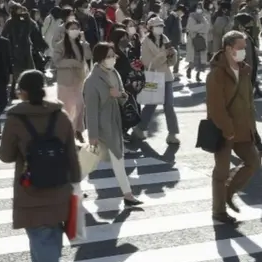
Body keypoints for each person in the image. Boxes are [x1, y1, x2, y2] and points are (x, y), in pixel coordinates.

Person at [0, 69, 81, 262]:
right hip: (60, 186)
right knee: (52, 234)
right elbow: (71, 153)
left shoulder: (15, 119)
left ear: (22, 92)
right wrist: (76, 184)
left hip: (30, 190)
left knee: (40, 238)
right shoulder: (60, 116)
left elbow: (6, 156)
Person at [206, 30, 260, 224]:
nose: (244, 52)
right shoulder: (216, 74)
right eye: (240, 48)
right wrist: (227, 130)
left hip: (244, 128)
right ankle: (218, 211)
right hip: (224, 131)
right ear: (228, 48)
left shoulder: (245, 69)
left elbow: (248, 101)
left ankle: (228, 191)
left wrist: (253, 129)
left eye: (244, 48)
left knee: (253, 162)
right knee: (221, 172)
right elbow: (216, 107)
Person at [84, 42, 143, 206]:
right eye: (108, 57)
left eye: (113, 56)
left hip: (116, 122)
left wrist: (119, 95)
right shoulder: (92, 81)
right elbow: (91, 111)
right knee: (88, 163)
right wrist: (93, 136)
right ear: (100, 59)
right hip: (102, 127)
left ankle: (128, 194)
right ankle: (70, 189)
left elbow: (123, 95)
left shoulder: (114, 73)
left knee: (117, 158)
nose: (112, 59)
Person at [135, 16, 180, 144]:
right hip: (153, 77)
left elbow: (170, 63)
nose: (160, 28)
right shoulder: (145, 42)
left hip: (166, 76)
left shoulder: (165, 39)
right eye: (157, 26)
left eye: (161, 26)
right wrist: (164, 55)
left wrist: (173, 54)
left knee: (169, 106)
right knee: (151, 105)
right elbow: (148, 62)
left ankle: (172, 134)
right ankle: (140, 128)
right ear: (150, 28)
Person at [53, 20, 91, 143]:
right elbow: (57, 62)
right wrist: (72, 63)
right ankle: (66, 133)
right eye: (72, 28)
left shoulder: (82, 44)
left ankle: (78, 130)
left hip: (79, 80)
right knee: (67, 108)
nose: (75, 30)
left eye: (77, 28)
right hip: (65, 81)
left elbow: (89, 56)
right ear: (67, 30)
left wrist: (85, 42)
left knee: (80, 105)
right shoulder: (60, 45)